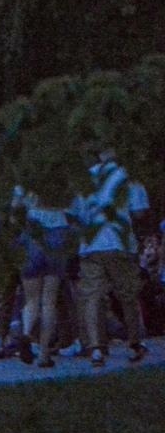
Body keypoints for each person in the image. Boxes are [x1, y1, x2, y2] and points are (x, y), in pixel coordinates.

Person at [75, 150, 150, 366]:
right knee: (127, 294)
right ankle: (135, 342)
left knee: (92, 296)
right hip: (120, 243)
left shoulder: (86, 179)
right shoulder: (128, 177)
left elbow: (76, 214)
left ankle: (96, 347)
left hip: (90, 245)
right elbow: (139, 212)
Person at [10, 186, 71, 367]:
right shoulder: (61, 178)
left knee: (31, 299)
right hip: (58, 232)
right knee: (49, 300)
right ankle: (44, 353)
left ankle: (27, 333)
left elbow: (14, 211)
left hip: (33, 232)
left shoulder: (26, 177)